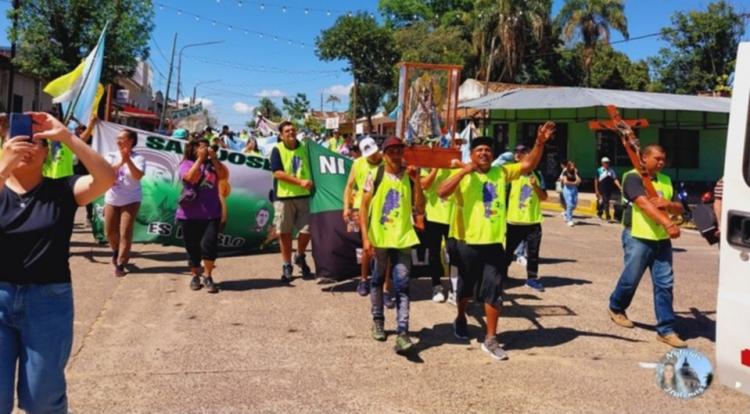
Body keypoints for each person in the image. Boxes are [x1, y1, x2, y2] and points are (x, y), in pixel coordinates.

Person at [0, 112, 115, 414]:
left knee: (43, 398)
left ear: (48, 153)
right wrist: (4, 166)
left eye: (37, 142)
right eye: (19, 140)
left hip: (48, 302)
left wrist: (67, 136)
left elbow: (106, 178)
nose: (27, 146)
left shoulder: (62, 190)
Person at [438, 123, 555, 361]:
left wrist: (540, 142)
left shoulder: (501, 173)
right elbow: (442, 192)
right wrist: (463, 171)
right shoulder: (462, 175)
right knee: (466, 289)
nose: (484, 153)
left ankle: (490, 338)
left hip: (494, 244)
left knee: (494, 290)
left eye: (488, 150)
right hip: (466, 242)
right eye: (479, 150)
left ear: (493, 155)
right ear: (471, 154)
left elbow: (528, 164)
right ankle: (460, 316)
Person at [607, 144, 686, 348]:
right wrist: (668, 223)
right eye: (657, 158)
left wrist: (668, 204)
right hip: (638, 236)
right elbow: (643, 204)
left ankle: (666, 329)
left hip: (661, 240)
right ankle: (616, 306)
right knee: (630, 279)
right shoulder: (632, 177)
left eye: (663, 159)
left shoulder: (666, 181)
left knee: (665, 284)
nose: (661, 162)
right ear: (643, 158)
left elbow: (680, 207)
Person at [359, 136, 425, 354]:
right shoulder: (374, 175)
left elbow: (420, 208)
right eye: (392, 150)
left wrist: (417, 183)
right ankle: (378, 320)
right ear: (384, 154)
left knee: (403, 284)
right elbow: (363, 208)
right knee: (377, 279)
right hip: (380, 239)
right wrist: (366, 238)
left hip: (403, 238)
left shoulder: (410, 176)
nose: (396, 154)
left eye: (399, 150)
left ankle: (402, 332)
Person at [177, 138, 228, 294]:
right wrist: (199, 159)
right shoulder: (185, 164)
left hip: (212, 212)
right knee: (192, 247)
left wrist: (213, 158)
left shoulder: (213, 165)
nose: (205, 150)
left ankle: (208, 275)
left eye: (206, 147)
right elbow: (189, 178)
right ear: (193, 149)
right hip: (189, 214)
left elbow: (223, 175)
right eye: (202, 147)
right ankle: (195, 275)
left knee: (209, 245)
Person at [270, 121, 314, 282]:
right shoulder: (277, 149)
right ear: (281, 135)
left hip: (304, 196)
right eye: (287, 131)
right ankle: (287, 264)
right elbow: (277, 173)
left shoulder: (305, 148)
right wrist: (299, 182)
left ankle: (300, 255)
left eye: (293, 129)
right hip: (284, 197)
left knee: (307, 231)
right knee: (285, 233)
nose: (291, 132)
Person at [505, 144, 547, 292]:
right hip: (513, 220)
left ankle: (532, 279)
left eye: (522, 152)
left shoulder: (537, 173)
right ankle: (502, 275)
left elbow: (544, 197)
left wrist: (536, 186)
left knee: (533, 252)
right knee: (507, 251)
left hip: (533, 221)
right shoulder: (511, 173)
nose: (517, 154)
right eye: (516, 151)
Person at [343, 137, 382, 296]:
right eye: (368, 154)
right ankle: (364, 279)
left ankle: (380, 281)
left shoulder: (387, 163)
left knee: (383, 247)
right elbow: (349, 185)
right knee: (366, 245)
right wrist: (346, 207)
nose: (372, 156)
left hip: (383, 209)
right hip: (362, 209)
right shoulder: (358, 163)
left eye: (374, 152)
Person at [104, 129, 146, 277]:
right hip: (112, 198)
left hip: (131, 199)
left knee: (125, 231)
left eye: (122, 138)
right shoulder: (111, 155)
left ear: (131, 141)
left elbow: (138, 175)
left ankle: (121, 263)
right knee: (109, 232)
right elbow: (105, 172)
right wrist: (120, 161)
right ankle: (116, 250)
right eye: (117, 138)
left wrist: (127, 160)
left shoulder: (139, 158)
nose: (118, 141)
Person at [419, 167, 455, 302]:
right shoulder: (428, 168)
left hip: (452, 218)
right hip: (433, 218)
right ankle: (436, 285)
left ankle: (454, 287)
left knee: (454, 254)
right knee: (434, 254)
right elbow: (424, 185)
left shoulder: (456, 166)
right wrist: (436, 168)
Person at [72, 117, 97, 224]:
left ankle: (89, 216)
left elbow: (84, 138)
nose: (77, 132)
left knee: (88, 195)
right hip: (75, 171)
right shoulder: (73, 140)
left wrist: (91, 125)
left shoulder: (93, 140)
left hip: (87, 171)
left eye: (80, 130)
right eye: (77, 130)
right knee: (74, 196)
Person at [595, 157, 622, 222]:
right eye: (605, 162)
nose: (607, 164)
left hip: (609, 188)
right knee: (606, 201)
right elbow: (596, 180)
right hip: (602, 188)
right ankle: (608, 217)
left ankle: (599, 212)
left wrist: (620, 187)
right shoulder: (599, 170)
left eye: (608, 162)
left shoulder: (611, 171)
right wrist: (596, 190)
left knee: (604, 201)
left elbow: (615, 179)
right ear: (602, 163)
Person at [561, 161, 581, 226]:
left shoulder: (576, 172)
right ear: (569, 166)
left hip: (574, 189)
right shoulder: (565, 172)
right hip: (567, 189)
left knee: (574, 205)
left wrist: (575, 173)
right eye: (572, 166)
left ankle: (566, 213)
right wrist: (574, 183)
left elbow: (579, 181)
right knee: (570, 204)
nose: (573, 167)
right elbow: (565, 182)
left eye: (574, 166)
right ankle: (569, 220)